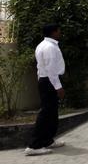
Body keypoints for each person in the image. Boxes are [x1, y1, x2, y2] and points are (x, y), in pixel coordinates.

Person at [25, 24, 67, 156]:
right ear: (53, 32)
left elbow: (41, 67)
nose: (60, 32)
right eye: (58, 30)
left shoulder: (43, 45)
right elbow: (51, 69)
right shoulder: (49, 47)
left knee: (52, 113)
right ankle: (33, 145)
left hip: (46, 80)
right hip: (50, 81)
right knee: (46, 113)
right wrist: (58, 86)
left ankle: (48, 140)